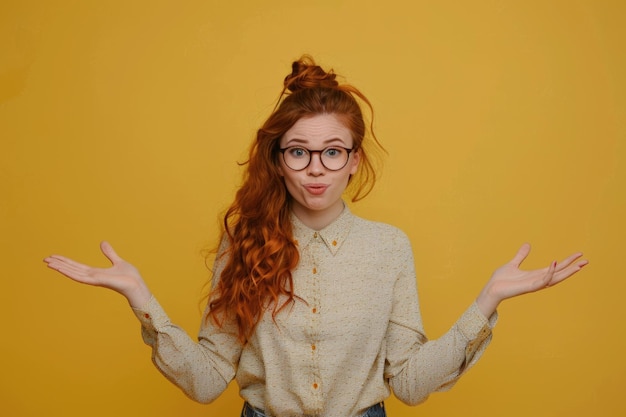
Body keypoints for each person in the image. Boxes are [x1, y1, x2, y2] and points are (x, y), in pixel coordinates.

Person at [44, 56, 588, 417]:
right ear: (278, 161)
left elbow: (410, 383)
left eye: (333, 151)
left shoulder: (389, 248)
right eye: (298, 151)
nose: (315, 169)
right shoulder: (247, 244)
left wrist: (486, 302)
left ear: (354, 161)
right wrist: (141, 299)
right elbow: (208, 381)